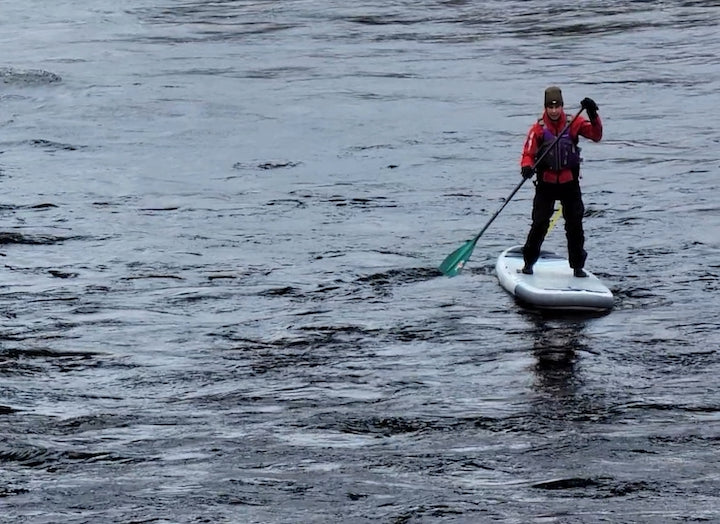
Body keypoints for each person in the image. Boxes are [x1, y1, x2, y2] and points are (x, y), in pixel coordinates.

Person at [519, 86, 602, 277]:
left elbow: (596, 135)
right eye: (550, 107)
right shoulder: (538, 129)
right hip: (546, 184)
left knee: (575, 225)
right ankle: (528, 262)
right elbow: (528, 154)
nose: (554, 111)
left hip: (569, 184)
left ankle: (578, 266)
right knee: (539, 224)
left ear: (562, 107)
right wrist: (526, 166)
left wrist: (592, 113)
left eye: (557, 107)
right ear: (546, 108)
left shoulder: (574, 123)